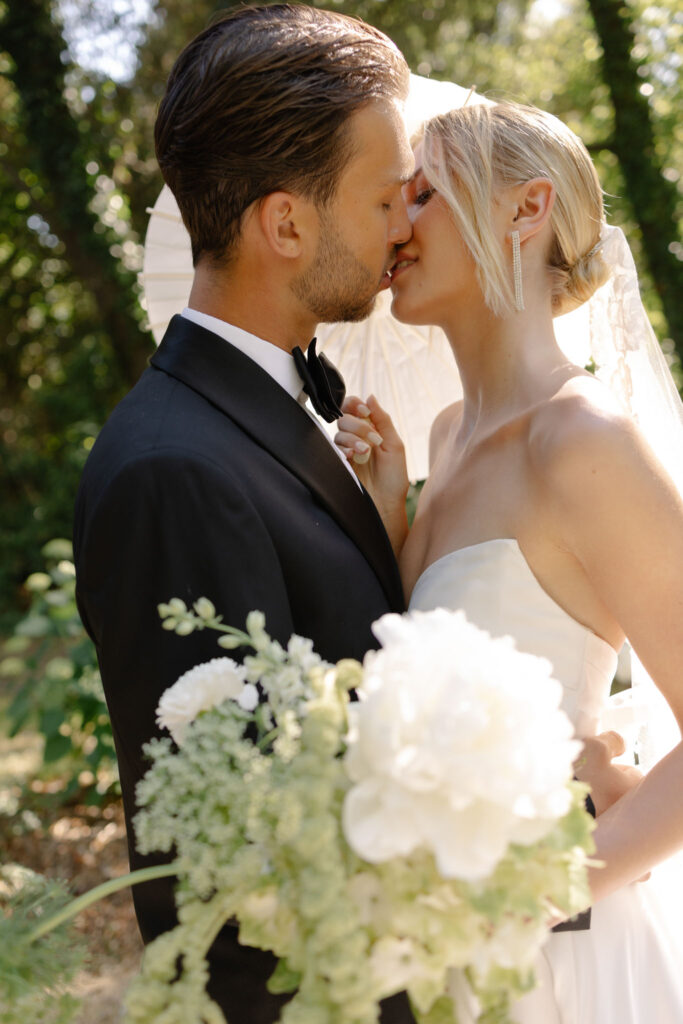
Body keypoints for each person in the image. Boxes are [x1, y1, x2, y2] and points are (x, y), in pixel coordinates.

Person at [73, 6, 417, 1021]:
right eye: (386, 197)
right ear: (284, 224)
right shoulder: (173, 473)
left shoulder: (256, 417)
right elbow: (228, 877)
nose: (406, 222)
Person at [335, 100, 683, 1023]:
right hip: (438, 955)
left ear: (524, 212)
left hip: (558, 963)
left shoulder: (581, 440)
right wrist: (388, 513)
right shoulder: (444, 438)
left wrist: (544, 890)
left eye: (422, 193)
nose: (394, 224)